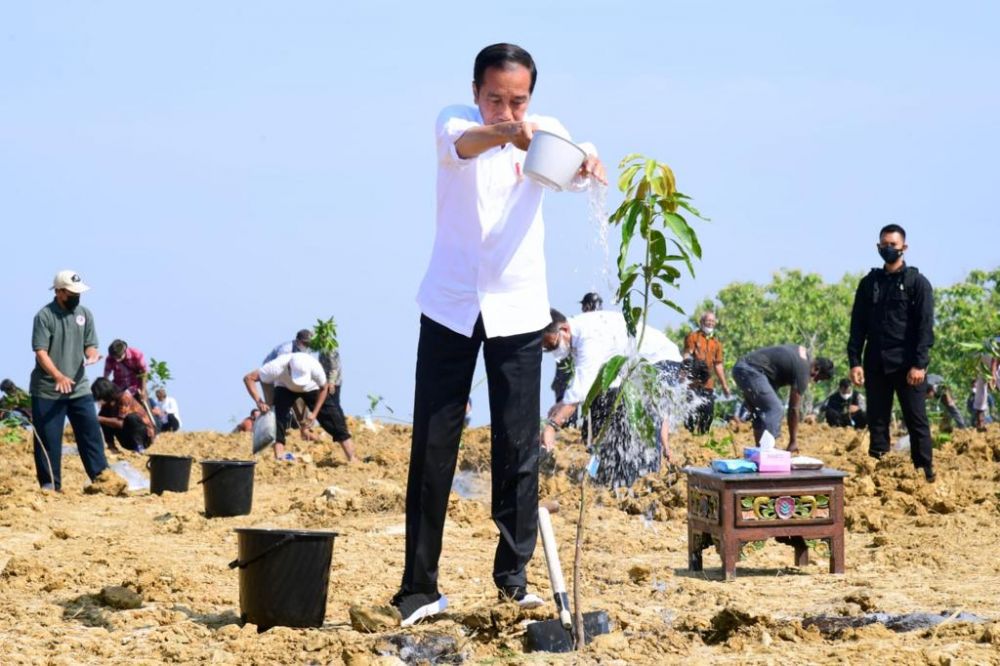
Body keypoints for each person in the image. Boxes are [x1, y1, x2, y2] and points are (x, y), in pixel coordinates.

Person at [392, 42, 606, 626]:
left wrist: (589, 159)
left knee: (518, 445)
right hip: (449, 306)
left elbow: (577, 161)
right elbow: (466, 146)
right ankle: (418, 588)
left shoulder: (546, 131)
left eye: (518, 100)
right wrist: (505, 133)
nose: (508, 111)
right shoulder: (455, 122)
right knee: (434, 445)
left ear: (531, 95)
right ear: (475, 91)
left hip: (518, 311)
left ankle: (513, 577)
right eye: (495, 100)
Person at [542, 309, 682, 487]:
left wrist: (552, 427)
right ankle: (614, 477)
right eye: (547, 349)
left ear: (564, 329)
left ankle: (648, 482)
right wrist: (561, 404)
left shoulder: (589, 337)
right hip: (632, 369)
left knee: (644, 422)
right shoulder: (579, 336)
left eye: (552, 345)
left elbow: (579, 391)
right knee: (612, 418)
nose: (553, 351)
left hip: (659, 361)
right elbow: (585, 383)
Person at [848, 224, 936, 481]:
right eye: (884, 245)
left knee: (916, 420)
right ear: (878, 247)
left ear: (904, 248)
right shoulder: (869, 284)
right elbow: (857, 325)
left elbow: (924, 327)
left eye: (893, 245)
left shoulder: (917, 284)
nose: (888, 249)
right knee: (877, 420)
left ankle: (924, 474)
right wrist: (855, 361)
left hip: (908, 367)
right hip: (876, 364)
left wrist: (920, 364)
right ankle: (878, 473)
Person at [29, 270, 109, 491]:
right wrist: (57, 375)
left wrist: (92, 354)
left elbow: (90, 344)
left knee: (90, 433)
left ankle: (102, 479)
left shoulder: (84, 314)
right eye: (72, 292)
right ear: (59, 292)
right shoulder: (44, 316)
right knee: (49, 440)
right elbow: (41, 352)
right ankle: (50, 484)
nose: (77, 296)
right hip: (48, 389)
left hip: (78, 387)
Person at [243, 352, 357, 462]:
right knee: (278, 418)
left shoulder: (314, 367)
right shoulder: (276, 366)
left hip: (311, 388)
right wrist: (259, 402)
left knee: (333, 418)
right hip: (285, 387)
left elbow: (323, 388)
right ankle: (279, 456)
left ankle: (351, 457)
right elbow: (249, 378)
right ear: (289, 368)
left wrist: (314, 414)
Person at [732, 344, 834, 452]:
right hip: (751, 370)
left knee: (761, 413)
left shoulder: (803, 355)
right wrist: (793, 441)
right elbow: (794, 409)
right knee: (775, 409)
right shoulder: (804, 370)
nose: (815, 381)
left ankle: (761, 451)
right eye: (818, 379)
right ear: (817, 369)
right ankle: (768, 452)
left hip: (743, 367)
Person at [262, 329, 319, 441]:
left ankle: (304, 432)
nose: (306, 345)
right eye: (305, 343)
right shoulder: (286, 349)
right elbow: (280, 369)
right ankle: (269, 434)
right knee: (272, 405)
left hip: (290, 376)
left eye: (308, 343)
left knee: (301, 402)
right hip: (271, 376)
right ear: (297, 340)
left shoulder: (307, 351)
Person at [682, 311, 731, 434]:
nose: (710, 323)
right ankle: (689, 435)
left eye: (712, 321)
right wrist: (683, 373)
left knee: (708, 412)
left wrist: (724, 386)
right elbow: (688, 355)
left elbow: (718, 364)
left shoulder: (716, 343)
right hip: (693, 382)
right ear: (701, 322)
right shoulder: (693, 337)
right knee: (691, 412)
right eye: (707, 321)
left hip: (708, 383)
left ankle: (703, 436)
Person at [92, 377, 156, 453]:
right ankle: (112, 447)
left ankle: (139, 447)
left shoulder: (124, 397)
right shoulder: (107, 404)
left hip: (145, 438)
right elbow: (104, 419)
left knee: (131, 418)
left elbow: (120, 423)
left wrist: (99, 418)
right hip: (127, 441)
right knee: (104, 418)